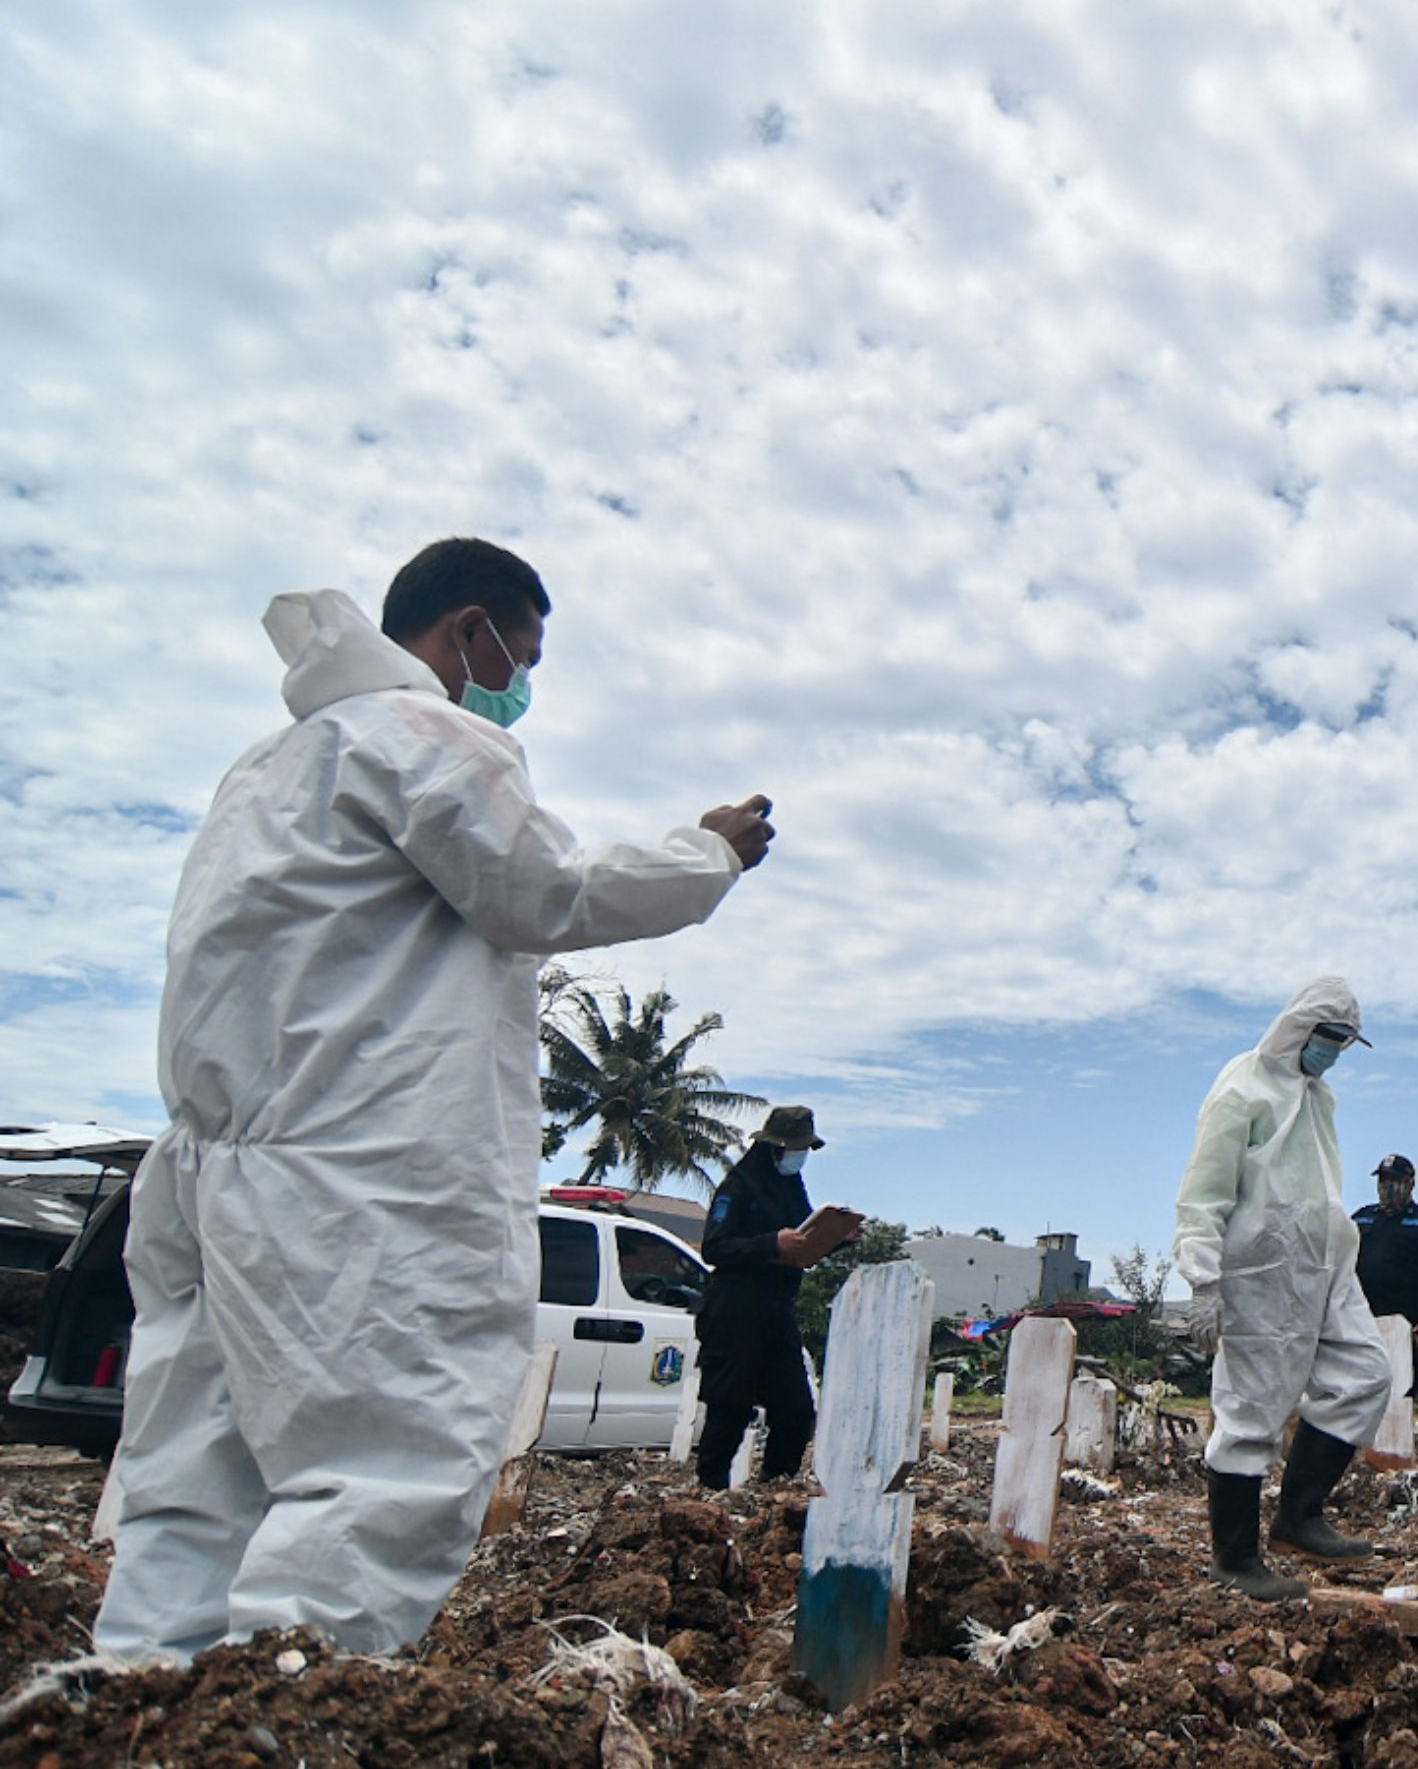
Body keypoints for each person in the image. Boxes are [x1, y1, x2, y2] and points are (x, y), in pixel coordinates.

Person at [96, 541, 770, 1661]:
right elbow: (543, 888)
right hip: (360, 1174)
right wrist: (710, 854)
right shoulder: (428, 735)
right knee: (381, 1467)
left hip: (215, 1177)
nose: (520, 683)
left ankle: (141, 1733)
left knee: (193, 1487)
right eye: (523, 655)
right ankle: (287, 1753)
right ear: (470, 632)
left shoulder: (267, 769)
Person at [1173, 977, 1391, 1601]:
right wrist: (1204, 1276)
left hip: (1325, 1263)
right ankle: (1235, 1559)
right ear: (1299, 1027)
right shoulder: (1242, 1086)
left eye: (1346, 1042)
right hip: (1263, 1269)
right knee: (1251, 1406)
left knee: (1366, 1374)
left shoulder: (1319, 1099)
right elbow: (1204, 1188)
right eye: (1330, 1038)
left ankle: (1299, 1517)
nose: (1335, 1052)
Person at [695, 1106, 865, 1489]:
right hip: (734, 1308)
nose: (799, 1156)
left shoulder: (791, 1187)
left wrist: (837, 1238)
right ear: (774, 1148)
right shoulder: (738, 1187)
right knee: (730, 1407)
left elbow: (805, 1241)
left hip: (777, 1308)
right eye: (794, 1148)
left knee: (795, 1408)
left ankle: (776, 1485)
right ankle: (711, 1489)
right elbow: (716, 1248)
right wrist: (771, 1242)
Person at [1350, 1155, 1418, 1396]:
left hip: (1407, 1325)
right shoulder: (1362, 1218)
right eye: (1383, 1180)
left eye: (1394, 1180)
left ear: (1410, 1182)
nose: (1388, 1186)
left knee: (1401, 1390)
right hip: (1362, 1322)